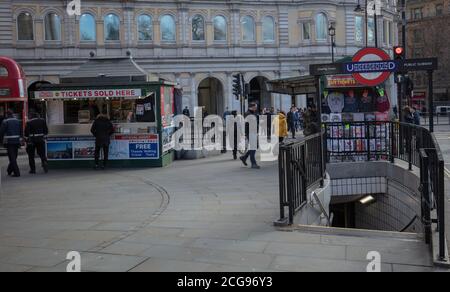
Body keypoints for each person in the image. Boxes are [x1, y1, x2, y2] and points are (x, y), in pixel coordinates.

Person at [0, 110, 22, 177]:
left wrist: (1, 141)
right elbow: (20, 131)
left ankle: (17, 173)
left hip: (9, 142)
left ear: (7, 115)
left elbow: (1, 132)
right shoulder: (18, 121)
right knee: (14, 157)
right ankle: (9, 170)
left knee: (12, 158)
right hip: (17, 141)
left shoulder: (5, 121)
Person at [240, 103, 260, 169]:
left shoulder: (253, 113)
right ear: (252, 107)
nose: (256, 108)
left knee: (254, 147)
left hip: (253, 132)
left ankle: (244, 157)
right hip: (250, 132)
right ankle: (253, 163)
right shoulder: (248, 113)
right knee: (253, 148)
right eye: (255, 107)